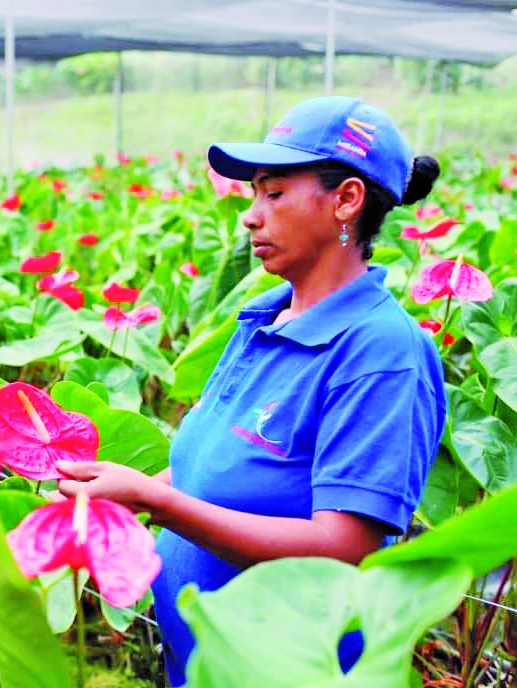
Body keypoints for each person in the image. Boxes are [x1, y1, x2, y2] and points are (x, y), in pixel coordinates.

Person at [56, 96, 447, 686]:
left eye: (274, 193)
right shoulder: (264, 320)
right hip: (203, 665)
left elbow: (343, 547)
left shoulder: (381, 351)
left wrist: (162, 504)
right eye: (253, 194)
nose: (250, 216)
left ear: (346, 200)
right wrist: (131, 490)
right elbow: (219, 465)